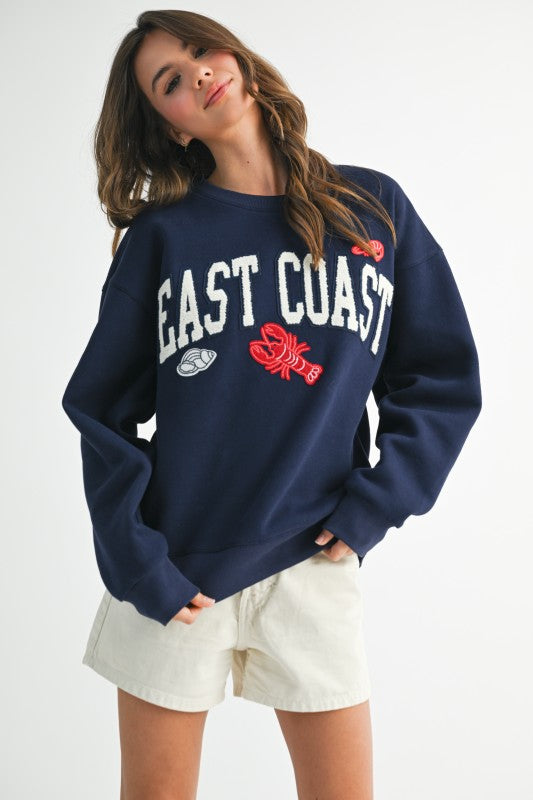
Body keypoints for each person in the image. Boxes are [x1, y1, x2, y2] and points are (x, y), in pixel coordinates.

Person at [61, 10, 482, 800]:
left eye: (200, 51)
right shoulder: (164, 238)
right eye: (170, 82)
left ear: (237, 58)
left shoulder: (371, 207)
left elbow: (440, 378)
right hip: (173, 570)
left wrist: (374, 506)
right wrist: (137, 560)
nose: (197, 75)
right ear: (172, 126)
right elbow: (98, 409)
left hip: (313, 560)